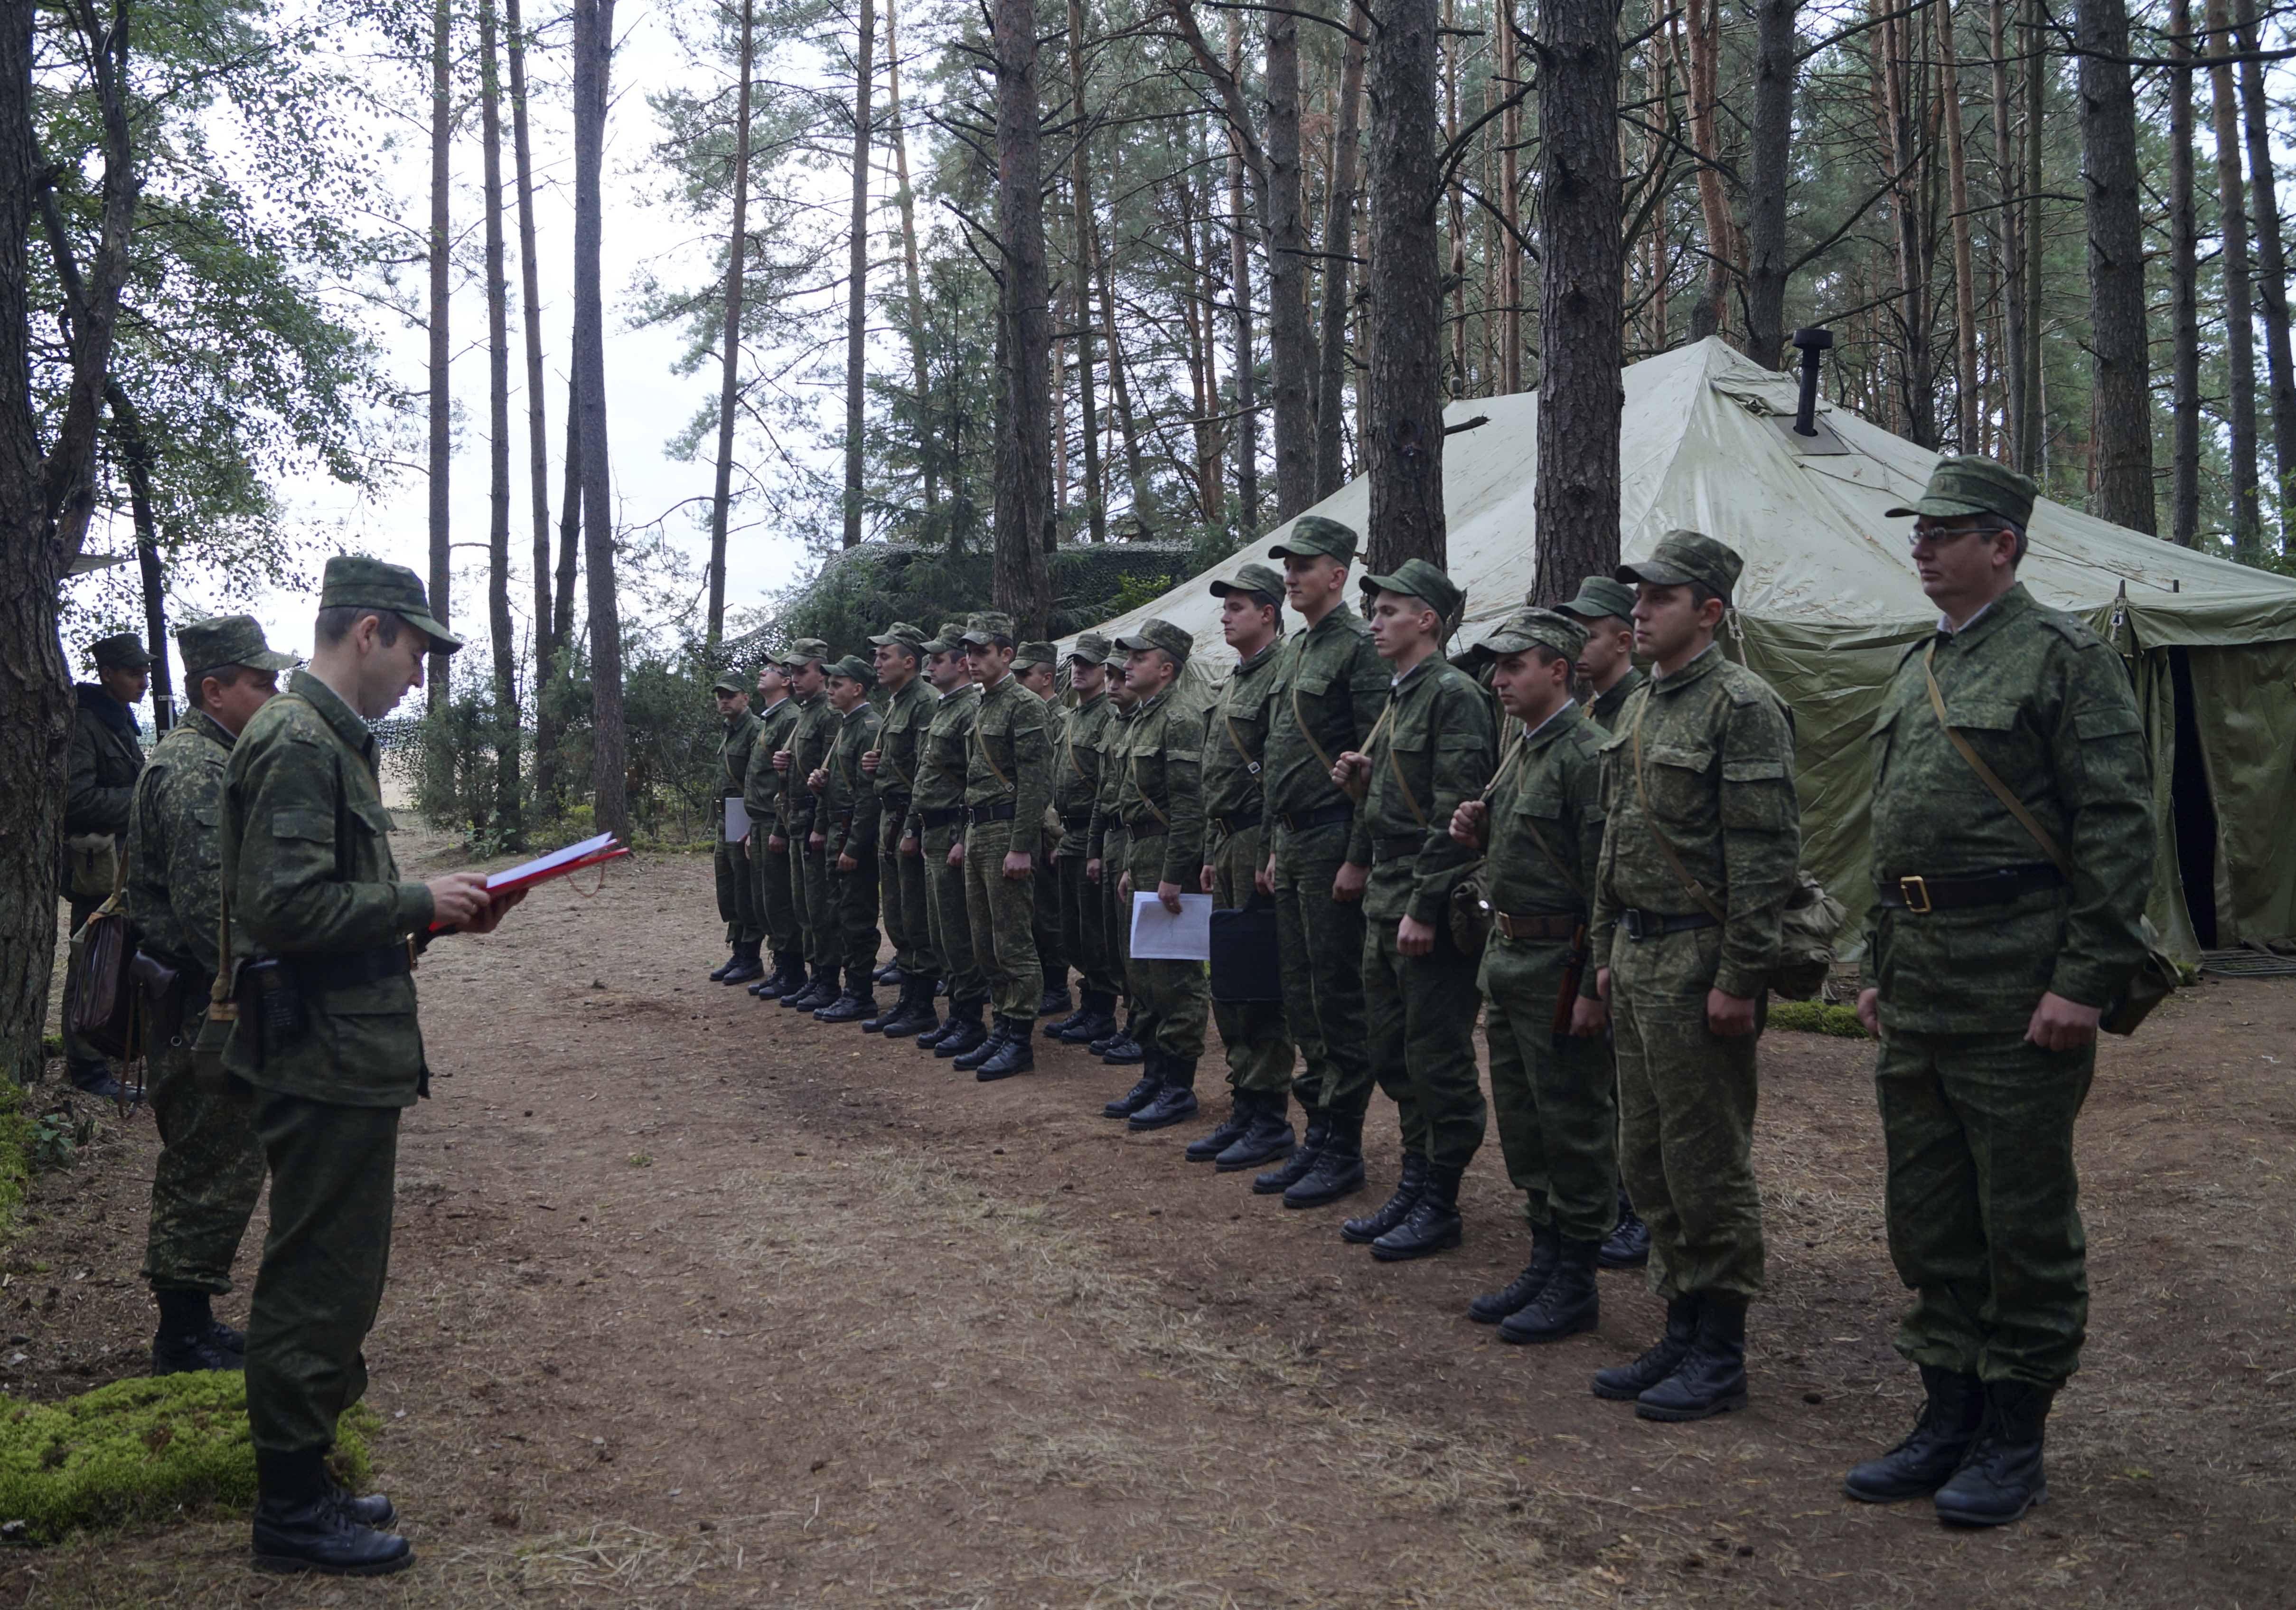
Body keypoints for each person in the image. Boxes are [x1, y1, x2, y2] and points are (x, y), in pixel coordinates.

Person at [1843, 458, 2153, 1527]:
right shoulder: (1913, 665)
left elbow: (2116, 826)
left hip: (2018, 988)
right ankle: (1949, 1413)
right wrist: (1878, 964)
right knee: (1927, 1217)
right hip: (1921, 985)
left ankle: (2015, 1434)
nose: (1922, 547)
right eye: (1918, 532)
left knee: (2018, 1216)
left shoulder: (2065, 659)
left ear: (2003, 545)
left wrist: (2084, 982)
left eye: (1945, 532)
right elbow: (1893, 832)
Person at [220, 557, 521, 1574]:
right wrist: (413, 901)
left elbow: (325, 916)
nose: (421, 677)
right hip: (321, 1060)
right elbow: (282, 909)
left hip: (342, 1047)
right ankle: (292, 1513)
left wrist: (437, 916)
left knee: (336, 1281)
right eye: (418, 654)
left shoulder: (324, 741)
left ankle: (307, 1480)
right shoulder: (300, 741)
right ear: (371, 633)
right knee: (317, 1283)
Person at [1587, 529, 1799, 1423]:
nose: (1638, 611)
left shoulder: (1741, 705)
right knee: (1645, 1155)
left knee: (1704, 1158)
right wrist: (1603, 954)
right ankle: (1679, 1325)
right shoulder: (1636, 706)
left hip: (1698, 961)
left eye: (1659, 599)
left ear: (1708, 611)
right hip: (1636, 956)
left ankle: (1719, 1348)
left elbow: (1764, 857)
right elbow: (1612, 844)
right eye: (1637, 598)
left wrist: (1741, 976)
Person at [125, 615, 296, 1376]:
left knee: (221, 1160)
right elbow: (211, 918)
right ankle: (181, 1339)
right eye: (261, 682)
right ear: (214, 689)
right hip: (204, 1006)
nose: (274, 692)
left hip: (209, 999)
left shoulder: (215, 757)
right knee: (208, 1164)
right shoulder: (196, 769)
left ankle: (192, 1321)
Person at [1447, 608, 1615, 1339]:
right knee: (1525, 1124)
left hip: (1560, 963)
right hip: (1510, 959)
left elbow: (1603, 880)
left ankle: (1576, 1276)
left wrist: (1591, 984)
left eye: (1515, 665)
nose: (1498, 678)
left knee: (1572, 1124)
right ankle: (1545, 1256)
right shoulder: (1521, 748)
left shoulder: (1587, 754)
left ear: (1559, 669)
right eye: (1497, 666)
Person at [1327, 558, 1496, 1261]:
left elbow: (1455, 816)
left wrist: (1426, 907)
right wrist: (1362, 798)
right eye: (1374, 610)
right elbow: (1401, 802)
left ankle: (1441, 1196)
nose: (1374, 621)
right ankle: (1416, 1177)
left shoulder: (1452, 695)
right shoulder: (1402, 695)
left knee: (1435, 1053)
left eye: (1390, 610)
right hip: (1388, 891)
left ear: (1427, 619)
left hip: (1421, 895)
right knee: (1393, 1047)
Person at [1252, 516, 1391, 1207]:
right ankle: (1317, 1134)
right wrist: (1278, 846)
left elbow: (1374, 759)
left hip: (1337, 838)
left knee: (1338, 1000)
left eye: (1304, 565)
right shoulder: (1293, 653)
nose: (1291, 575)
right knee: (1303, 996)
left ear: (1338, 574)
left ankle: (1343, 1143)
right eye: (1288, 564)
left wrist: (1360, 854)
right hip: (1295, 841)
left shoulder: (1360, 649)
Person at [1555, 573, 1652, 1271]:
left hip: (1637, 923)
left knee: (1632, 1082)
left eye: (1587, 633)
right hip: (1598, 917)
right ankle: (1623, 1198)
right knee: (1606, 1076)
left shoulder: (1635, 711)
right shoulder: (1590, 714)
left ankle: (1640, 1208)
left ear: (1624, 638)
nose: (1576, 645)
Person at [1186, 564, 1298, 1169]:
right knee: (1229, 984)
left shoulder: (1281, 673)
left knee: (1259, 986)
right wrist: (1209, 852)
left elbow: (1281, 770)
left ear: (1269, 614)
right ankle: (1245, 1102)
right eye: (1225, 608)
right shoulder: (1234, 681)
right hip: (1227, 845)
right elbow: (1216, 775)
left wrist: (1270, 849)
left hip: (1258, 843)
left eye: (1238, 607)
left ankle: (1270, 1114)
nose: (1226, 616)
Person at [1095, 619, 1211, 1129]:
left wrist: (1173, 873)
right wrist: (1128, 867)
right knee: (1141, 974)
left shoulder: (1180, 718)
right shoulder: (1141, 718)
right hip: (1139, 852)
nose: (1128, 665)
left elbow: (1190, 808)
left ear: (1166, 668)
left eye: (1139, 658)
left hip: (1167, 855)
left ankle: (1178, 1086)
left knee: (1174, 977)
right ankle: (1154, 1072)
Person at [954, 613, 1054, 1079]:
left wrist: (1022, 846)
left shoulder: (1025, 706)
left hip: (1005, 833)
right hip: (978, 831)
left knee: (1012, 939)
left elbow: (1035, 785)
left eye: (981, 652)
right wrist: (962, 837)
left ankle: (1019, 1039)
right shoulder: (983, 704)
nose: (971, 660)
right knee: (984, 940)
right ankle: (1001, 1027)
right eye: (968, 653)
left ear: (1006, 655)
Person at [61, 632, 153, 1098]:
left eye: (145, 672)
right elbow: (77, 800)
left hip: (124, 865)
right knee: (90, 963)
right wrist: (145, 798)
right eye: (135, 672)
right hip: (98, 869)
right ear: (108, 674)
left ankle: (110, 1051)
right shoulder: (87, 722)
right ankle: (86, 1068)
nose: (144, 680)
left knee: (119, 959)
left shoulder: (118, 719)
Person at [910, 622, 988, 1057]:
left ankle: (970, 1018)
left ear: (961, 664)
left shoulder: (969, 709)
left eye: (937, 659)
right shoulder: (944, 708)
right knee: (942, 934)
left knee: (959, 935)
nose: (929, 666)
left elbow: (973, 780)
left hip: (953, 831)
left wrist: (961, 836)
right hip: (933, 830)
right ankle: (957, 1014)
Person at [862, 622, 938, 1036]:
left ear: (909, 662)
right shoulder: (896, 702)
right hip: (889, 817)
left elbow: (929, 769)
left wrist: (913, 827)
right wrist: (877, 766)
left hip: (910, 818)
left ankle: (922, 1004)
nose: (877, 662)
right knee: (897, 916)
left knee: (915, 917)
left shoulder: (924, 701)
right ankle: (908, 999)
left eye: (884, 655)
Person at [1047, 633, 1120, 1045]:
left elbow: (1104, 789)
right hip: (1069, 835)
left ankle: (1102, 1010)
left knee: (1095, 932)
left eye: (1089, 664)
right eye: (1076, 662)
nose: (1079, 669)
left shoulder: (1109, 716)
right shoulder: (1073, 718)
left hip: (1094, 834)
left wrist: (1093, 846)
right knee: (1073, 931)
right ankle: (1087, 1003)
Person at [808, 656, 883, 1023]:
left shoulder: (868, 727)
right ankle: (849, 989)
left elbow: (870, 796)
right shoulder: (845, 726)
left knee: (856, 916)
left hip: (854, 834)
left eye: (837, 685)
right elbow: (841, 785)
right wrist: (820, 789)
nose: (830, 690)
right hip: (839, 827)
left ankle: (860, 993)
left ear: (857, 689)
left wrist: (854, 846)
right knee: (838, 912)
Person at [1080, 670, 1145, 1066]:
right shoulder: (1116, 726)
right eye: (1112, 676)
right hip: (1111, 838)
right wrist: (1094, 849)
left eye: (1123, 676)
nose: (1114, 684)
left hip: (1136, 837)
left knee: (1133, 942)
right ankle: (1131, 1021)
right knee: (1112, 940)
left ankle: (1141, 1026)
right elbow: (1101, 797)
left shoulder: (1151, 722)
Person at [774, 641, 837, 1010]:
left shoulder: (828, 714)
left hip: (815, 818)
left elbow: (830, 777)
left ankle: (828, 979)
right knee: (804, 905)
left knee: (820, 906)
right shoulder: (804, 713)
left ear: (821, 673)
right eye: (792, 673)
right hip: (796, 818)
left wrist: (820, 823)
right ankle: (816, 975)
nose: (794, 678)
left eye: (802, 672)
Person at [1013, 641, 1072, 1019]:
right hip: (1027, 825)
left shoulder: (1061, 718)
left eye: (1024, 675)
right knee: (1029, 911)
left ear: (1047, 677)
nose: (1017, 681)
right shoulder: (1022, 713)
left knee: (1049, 912)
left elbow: (1056, 781)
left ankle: (1057, 986)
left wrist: (1054, 835)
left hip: (1050, 830)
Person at [744, 657, 807, 1000]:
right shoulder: (770, 719)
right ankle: (781, 965)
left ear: (785, 682)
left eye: (768, 670)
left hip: (775, 820)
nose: (761, 673)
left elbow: (790, 781)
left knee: (780, 900)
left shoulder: (790, 718)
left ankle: (792, 970)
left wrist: (780, 829)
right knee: (764, 901)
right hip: (758, 820)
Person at [708, 671, 766, 986]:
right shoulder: (730, 731)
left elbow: (758, 779)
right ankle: (738, 948)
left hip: (742, 812)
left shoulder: (755, 729)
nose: (724, 701)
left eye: (730, 695)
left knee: (745, 888)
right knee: (727, 889)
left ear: (746, 697)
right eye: (720, 696)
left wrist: (752, 821)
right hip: (725, 815)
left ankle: (750, 955)